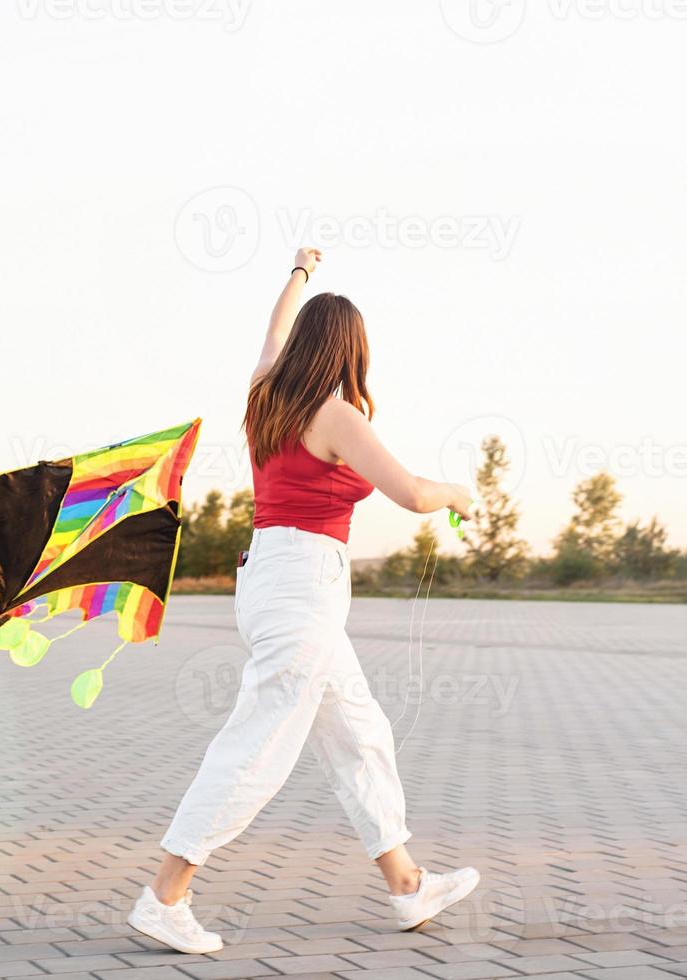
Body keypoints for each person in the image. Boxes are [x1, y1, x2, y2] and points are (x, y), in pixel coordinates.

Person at [128, 248, 481, 954]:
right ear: (352, 351)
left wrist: (297, 272)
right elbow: (411, 493)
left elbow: (272, 330)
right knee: (256, 745)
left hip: (271, 579)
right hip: (301, 588)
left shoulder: (265, 391)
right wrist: (457, 495)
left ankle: (407, 883)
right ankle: (164, 897)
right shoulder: (336, 414)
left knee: (358, 732)